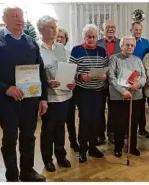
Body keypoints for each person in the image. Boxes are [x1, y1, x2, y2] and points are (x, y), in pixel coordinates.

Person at [0, 6, 47, 181]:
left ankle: (27, 171)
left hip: (30, 99)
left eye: (21, 16)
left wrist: (43, 98)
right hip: (6, 99)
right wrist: (6, 88)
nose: (20, 19)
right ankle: (12, 173)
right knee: (10, 136)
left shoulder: (31, 42)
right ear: (5, 19)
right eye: (14, 16)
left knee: (28, 136)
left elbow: (41, 71)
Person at [37, 16, 74, 172]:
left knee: (60, 127)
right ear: (41, 30)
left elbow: (67, 67)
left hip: (65, 95)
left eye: (55, 26)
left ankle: (61, 155)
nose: (55, 30)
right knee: (48, 129)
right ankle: (47, 159)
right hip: (48, 97)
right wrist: (46, 83)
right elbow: (35, 73)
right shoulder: (36, 48)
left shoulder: (61, 48)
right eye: (51, 27)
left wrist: (71, 81)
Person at [69, 24, 107, 163]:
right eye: (88, 37)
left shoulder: (102, 51)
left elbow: (105, 68)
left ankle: (93, 147)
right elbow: (71, 71)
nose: (91, 39)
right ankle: (83, 149)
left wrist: (104, 75)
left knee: (96, 120)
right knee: (85, 120)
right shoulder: (77, 50)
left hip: (98, 91)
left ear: (97, 37)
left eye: (93, 37)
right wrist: (81, 76)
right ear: (84, 37)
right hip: (83, 91)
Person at [108, 35, 146, 158]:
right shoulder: (114, 58)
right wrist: (122, 91)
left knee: (133, 123)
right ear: (122, 46)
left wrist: (138, 84)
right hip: (119, 97)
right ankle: (118, 147)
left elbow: (144, 76)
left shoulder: (138, 60)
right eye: (127, 45)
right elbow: (111, 77)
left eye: (132, 45)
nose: (130, 47)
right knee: (119, 123)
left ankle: (132, 146)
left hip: (135, 97)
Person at [96, 19, 121, 145]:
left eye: (113, 27)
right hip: (100, 82)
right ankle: (100, 133)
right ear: (102, 29)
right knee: (99, 109)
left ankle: (111, 132)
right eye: (107, 27)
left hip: (116, 82)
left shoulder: (122, 43)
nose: (110, 29)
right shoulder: (97, 43)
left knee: (114, 109)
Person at [56, 28, 80, 152]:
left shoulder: (70, 53)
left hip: (69, 90)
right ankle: (59, 147)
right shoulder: (49, 53)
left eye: (62, 37)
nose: (59, 39)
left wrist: (74, 81)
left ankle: (73, 141)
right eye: (57, 37)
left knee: (70, 119)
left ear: (66, 40)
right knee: (58, 123)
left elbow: (75, 71)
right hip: (54, 92)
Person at [130, 21, 149, 139]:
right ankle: (129, 129)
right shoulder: (127, 41)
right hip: (128, 77)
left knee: (141, 105)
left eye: (139, 30)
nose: (137, 31)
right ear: (131, 30)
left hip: (142, 77)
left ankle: (142, 128)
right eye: (135, 29)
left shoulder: (146, 43)